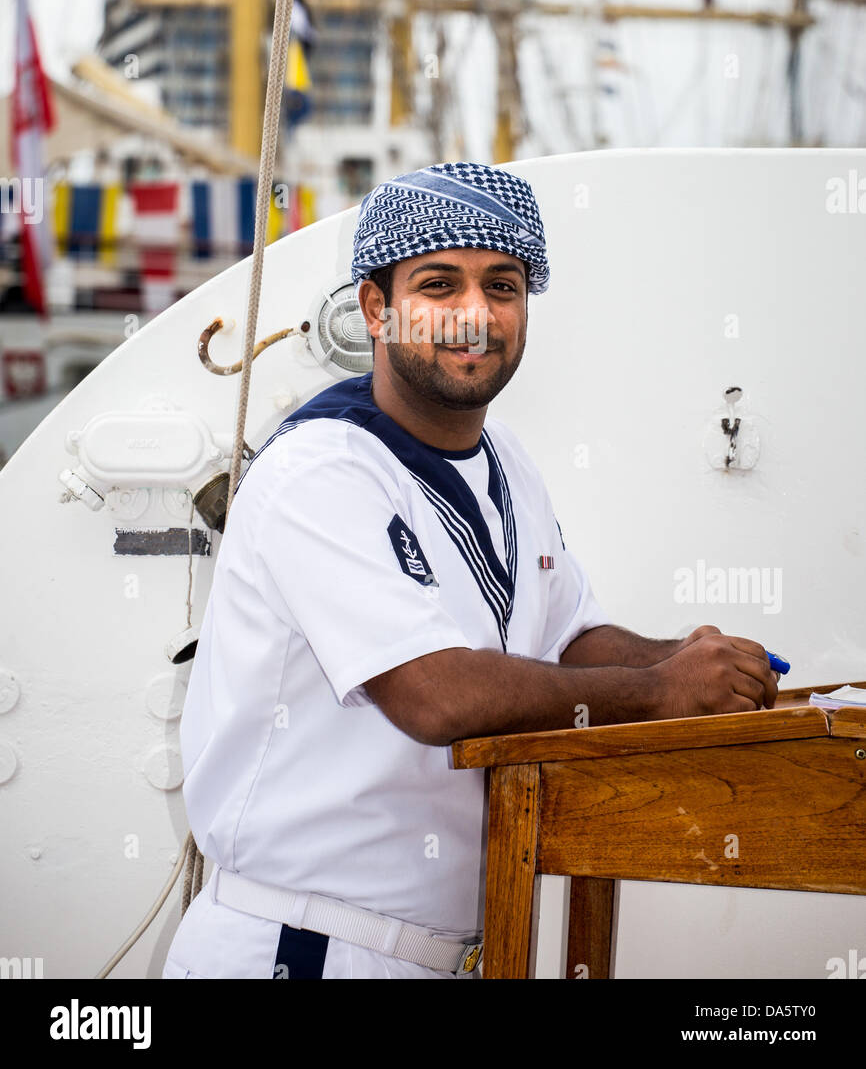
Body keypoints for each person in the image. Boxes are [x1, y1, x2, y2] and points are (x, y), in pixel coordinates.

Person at [163, 161, 777, 981]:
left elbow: (570, 640)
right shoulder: (320, 470)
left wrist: (687, 657)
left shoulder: (505, 461)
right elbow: (434, 695)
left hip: (440, 952)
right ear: (377, 308)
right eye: (439, 285)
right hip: (306, 949)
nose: (475, 316)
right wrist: (663, 691)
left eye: (503, 286)